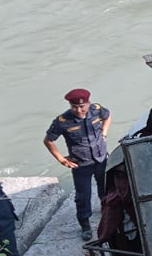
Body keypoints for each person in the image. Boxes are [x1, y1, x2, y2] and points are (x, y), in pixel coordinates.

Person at [43, 88, 111, 241]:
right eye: (74, 107)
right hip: (81, 164)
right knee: (82, 196)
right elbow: (48, 140)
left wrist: (104, 134)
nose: (79, 110)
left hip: (101, 159)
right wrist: (61, 159)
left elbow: (107, 117)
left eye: (82, 106)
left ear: (88, 103)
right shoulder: (62, 121)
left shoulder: (97, 110)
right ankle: (85, 224)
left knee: (105, 188)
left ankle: (107, 211)